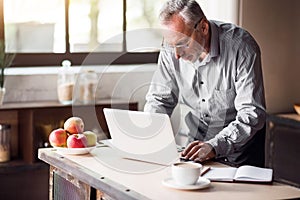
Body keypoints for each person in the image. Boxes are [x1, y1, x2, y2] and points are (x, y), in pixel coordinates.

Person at [144, 0, 266, 167]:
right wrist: (149, 134)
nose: (177, 55)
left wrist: (215, 145)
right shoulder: (171, 50)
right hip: (195, 144)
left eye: (183, 43)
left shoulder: (241, 47)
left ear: (203, 27)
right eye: (171, 45)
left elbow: (251, 113)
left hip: (239, 148)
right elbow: (160, 99)